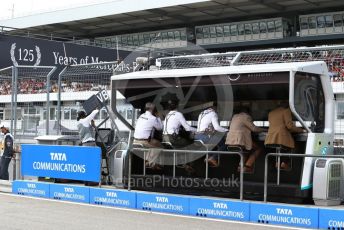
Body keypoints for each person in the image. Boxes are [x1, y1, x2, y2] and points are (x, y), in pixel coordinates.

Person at [265, 103, 306, 169]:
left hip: (271, 138)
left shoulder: (271, 112)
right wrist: (302, 130)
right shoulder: (286, 111)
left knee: (281, 148)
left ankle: (278, 163)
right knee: (293, 147)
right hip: (281, 137)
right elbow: (289, 126)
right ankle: (285, 163)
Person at [226, 107, 266, 173]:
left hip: (230, 141)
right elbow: (254, 129)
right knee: (258, 148)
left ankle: (240, 166)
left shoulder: (235, 116)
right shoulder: (246, 117)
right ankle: (248, 166)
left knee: (245, 150)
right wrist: (266, 129)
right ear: (248, 112)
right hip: (239, 141)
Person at [195, 102, 228, 167]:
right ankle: (213, 158)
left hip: (197, 137)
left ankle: (208, 157)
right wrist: (227, 130)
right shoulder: (213, 113)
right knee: (225, 144)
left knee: (214, 142)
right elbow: (217, 127)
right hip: (204, 137)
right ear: (215, 108)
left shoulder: (201, 113)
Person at [133, 102, 163, 170]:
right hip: (144, 141)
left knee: (153, 144)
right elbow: (160, 128)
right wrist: (158, 117)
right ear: (153, 110)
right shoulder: (153, 118)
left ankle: (149, 161)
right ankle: (150, 163)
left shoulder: (141, 115)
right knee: (159, 146)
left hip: (135, 140)